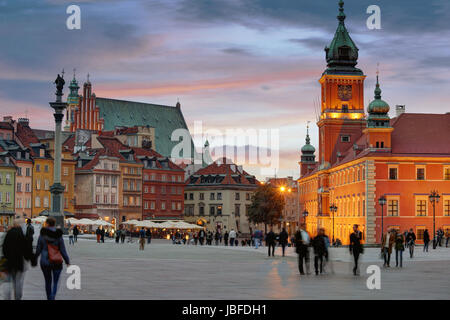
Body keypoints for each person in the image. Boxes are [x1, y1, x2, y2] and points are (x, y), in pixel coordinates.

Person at [35, 217, 70, 300]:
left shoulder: (42, 234)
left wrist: (34, 259)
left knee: (48, 282)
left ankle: (49, 297)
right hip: (56, 261)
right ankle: (52, 297)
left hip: (45, 261)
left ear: (47, 223)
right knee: (55, 282)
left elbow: (38, 249)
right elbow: (62, 249)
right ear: (54, 224)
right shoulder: (58, 235)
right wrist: (67, 260)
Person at [2, 217, 33, 300]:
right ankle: (18, 297)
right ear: (20, 225)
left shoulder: (9, 233)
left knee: (8, 281)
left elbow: (4, 248)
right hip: (19, 262)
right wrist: (28, 258)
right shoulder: (21, 234)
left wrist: (7, 257)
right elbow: (26, 249)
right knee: (18, 281)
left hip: (9, 262)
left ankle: (7, 297)